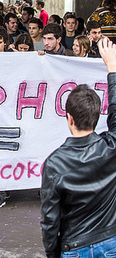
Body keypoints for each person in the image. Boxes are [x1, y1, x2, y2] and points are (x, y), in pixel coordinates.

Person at [40, 38, 116, 258]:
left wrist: (52, 253)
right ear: (96, 116)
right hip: (110, 241)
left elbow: (49, 219)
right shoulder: (110, 148)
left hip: (74, 247)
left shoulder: (54, 163)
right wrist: (112, 69)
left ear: (69, 118)